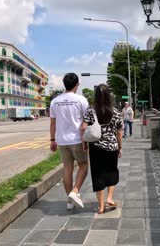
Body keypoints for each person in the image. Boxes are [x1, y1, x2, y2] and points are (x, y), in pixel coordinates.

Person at [81, 84, 123, 214]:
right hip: (112, 147)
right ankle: (109, 198)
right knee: (111, 171)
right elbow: (120, 132)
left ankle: (101, 206)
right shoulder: (115, 112)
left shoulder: (91, 111)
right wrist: (119, 147)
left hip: (96, 148)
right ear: (109, 96)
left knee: (98, 174)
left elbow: (83, 128)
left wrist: (84, 143)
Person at [50, 73, 89, 210]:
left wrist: (52, 140)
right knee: (83, 165)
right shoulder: (81, 100)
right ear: (77, 85)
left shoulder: (55, 101)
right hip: (77, 139)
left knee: (67, 168)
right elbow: (87, 120)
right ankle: (75, 191)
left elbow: (52, 123)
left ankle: (69, 201)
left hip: (62, 140)